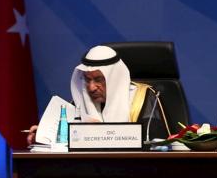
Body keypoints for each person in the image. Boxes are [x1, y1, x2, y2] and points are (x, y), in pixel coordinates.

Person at [27, 45, 169, 144]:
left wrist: (98, 133)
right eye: (87, 80)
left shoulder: (144, 98)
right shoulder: (81, 100)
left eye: (98, 80)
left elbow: (155, 144)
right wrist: (43, 135)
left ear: (114, 79)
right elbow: (65, 137)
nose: (91, 87)